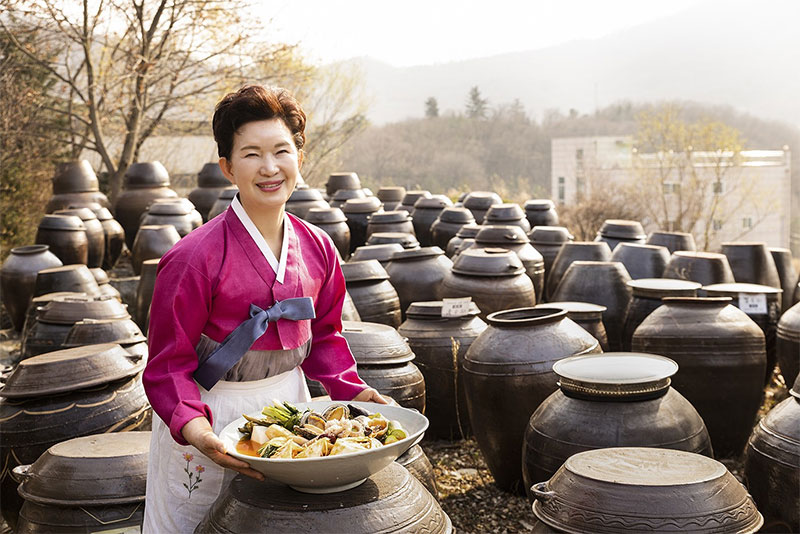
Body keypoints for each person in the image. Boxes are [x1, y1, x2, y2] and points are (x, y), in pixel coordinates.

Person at [141, 85, 386, 533]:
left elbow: (326, 337)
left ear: (300, 158)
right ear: (227, 166)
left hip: (290, 412)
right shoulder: (193, 257)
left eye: (281, 150)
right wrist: (196, 431)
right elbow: (167, 365)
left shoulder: (319, 248)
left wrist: (353, 391)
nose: (270, 167)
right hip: (208, 415)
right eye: (252, 154)